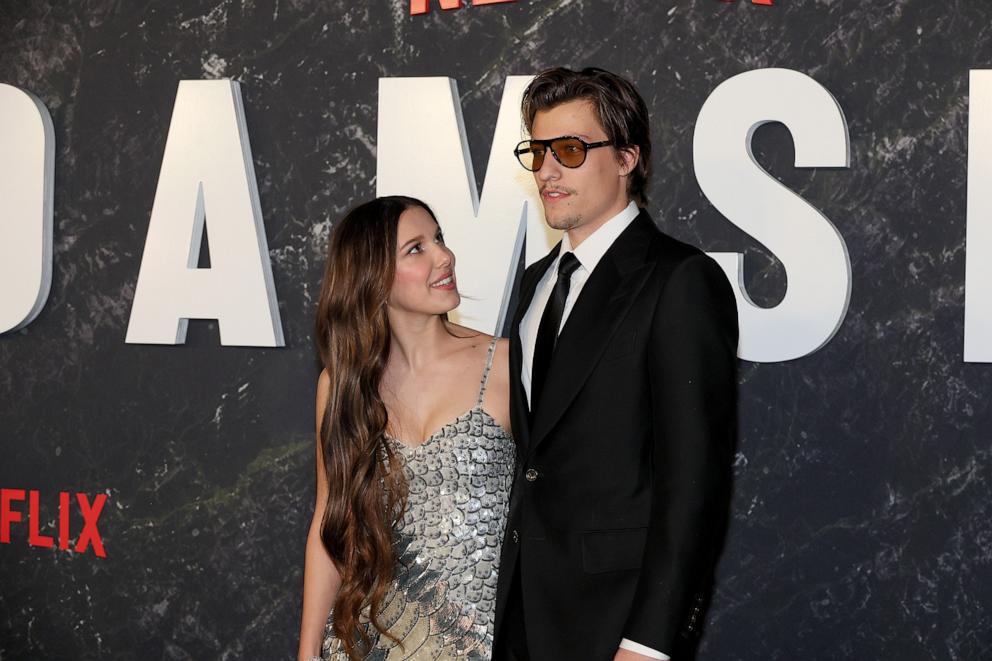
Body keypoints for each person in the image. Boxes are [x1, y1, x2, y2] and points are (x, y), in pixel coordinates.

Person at [493, 68, 739, 661]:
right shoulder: (532, 285)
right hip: (522, 614)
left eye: (571, 150)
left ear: (627, 157)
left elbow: (695, 486)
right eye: (538, 151)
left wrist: (650, 642)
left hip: (617, 623)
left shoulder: (680, 280)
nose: (548, 171)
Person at [298, 196, 515, 661]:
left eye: (439, 239)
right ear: (372, 276)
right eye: (417, 248)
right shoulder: (341, 387)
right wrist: (307, 652)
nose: (444, 256)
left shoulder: (506, 366)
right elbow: (329, 524)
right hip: (368, 643)